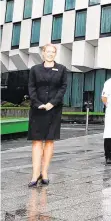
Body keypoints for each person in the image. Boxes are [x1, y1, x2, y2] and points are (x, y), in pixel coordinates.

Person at [27, 44, 68, 187]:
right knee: (37, 141)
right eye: (48, 51)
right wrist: (37, 103)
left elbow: (63, 88)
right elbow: (31, 88)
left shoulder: (62, 69)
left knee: (50, 141)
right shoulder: (35, 69)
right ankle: (35, 174)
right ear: (43, 53)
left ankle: (44, 173)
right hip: (37, 109)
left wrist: (52, 103)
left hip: (54, 109)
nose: (50, 54)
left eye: (53, 52)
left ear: (55, 54)